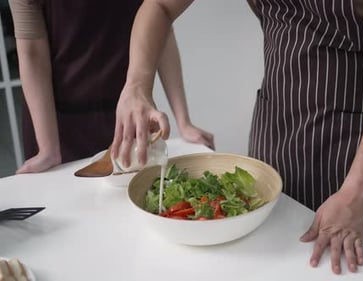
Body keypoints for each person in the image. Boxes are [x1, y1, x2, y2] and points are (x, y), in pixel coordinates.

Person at [111, 0, 363, 274]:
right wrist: (137, 85)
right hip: (275, 145)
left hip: (359, 163)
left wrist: (356, 192)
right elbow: (159, 6)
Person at [8, 0, 214, 174]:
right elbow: (32, 52)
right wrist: (48, 148)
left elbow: (161, 29)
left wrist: (183, 121)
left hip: (126, 113)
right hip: (55, 118)